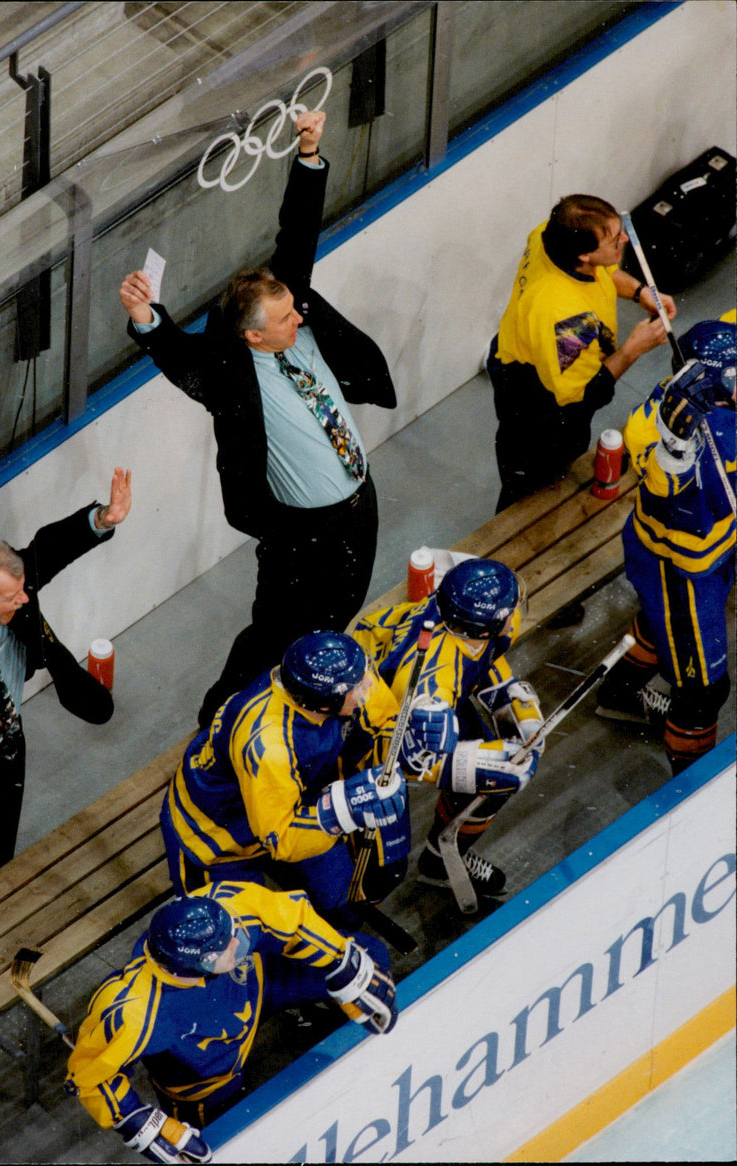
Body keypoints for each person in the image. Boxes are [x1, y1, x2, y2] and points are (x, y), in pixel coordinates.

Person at [119, 110, 396, 729]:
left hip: (359, 506)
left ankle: (310, 696)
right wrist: (147, 318)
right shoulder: (232, 378)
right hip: (304, 535)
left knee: (338, 613)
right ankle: (218, 724)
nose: (301, 317)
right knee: (275, 633)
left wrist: (308, 153)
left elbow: (296, 237)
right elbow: (178, 356)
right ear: (251, 334)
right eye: (286, 318)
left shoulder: (292, 317)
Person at [66, 882, 396, 1162]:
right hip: (206, 1075)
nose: (237, 941)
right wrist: (141, 1123)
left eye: (232, 932)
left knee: (368, 954)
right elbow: (89, 1076)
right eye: (226, 947)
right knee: (222, 1148)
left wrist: (343, 965)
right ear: (192, 966)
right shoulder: (134, 1012)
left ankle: (326, 1023)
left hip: (259, 985)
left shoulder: (224, 907)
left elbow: (292, 918)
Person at [159, 631, 454, 930]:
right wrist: (343, 809)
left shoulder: (344, 677)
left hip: (294, 795)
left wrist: (407, 745)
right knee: (225, 934)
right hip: (217, 835)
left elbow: (380, 728)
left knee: (345, 906)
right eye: (357, 687)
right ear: (324, 704)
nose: (368, 685)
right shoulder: (269, 746)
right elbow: (280, 838)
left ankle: (323, 953)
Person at [0, 468, 132, 905]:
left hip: (7, 754)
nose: (26, 600)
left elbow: (50, 547)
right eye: (12, 598)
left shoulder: (10, 590)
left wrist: (102, 518)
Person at [353, 557, 544, 900]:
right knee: (385, 867)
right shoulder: (429, 680)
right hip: (374, 738)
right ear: (483, 627)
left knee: (491, 784)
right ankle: (346, 915)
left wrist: (513, 700)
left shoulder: (463, 619)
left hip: (428, 712)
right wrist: (472, 763)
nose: (516, 612)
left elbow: (486, 657)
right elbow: (410, 759)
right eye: (510, 607)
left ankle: (441, 861)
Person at [595, 318, 735, 773]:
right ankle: (690, 784)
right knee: (703, 691)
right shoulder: (654, 429)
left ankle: (618, 696)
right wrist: (675, 447)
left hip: (714, 553)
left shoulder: (717, 386)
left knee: (661, 631)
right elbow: (664, 489)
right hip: (679, 570)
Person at [488, 193, 677, 513]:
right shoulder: (564, 319)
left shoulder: (549, 235)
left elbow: (603, 271)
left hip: (519, 350)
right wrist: (633, 349)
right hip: (541, 399)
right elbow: (584, 395)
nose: (625, 240)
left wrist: (638, 291)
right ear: (584, 255)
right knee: (532, 477)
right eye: (615, 241)